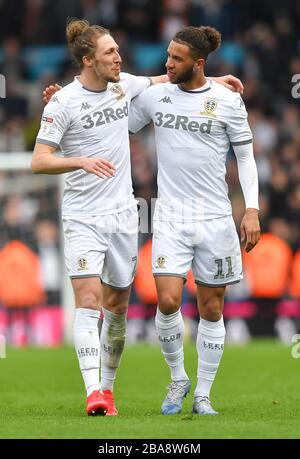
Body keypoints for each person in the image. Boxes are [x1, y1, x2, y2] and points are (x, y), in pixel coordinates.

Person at [39, 20, 244, 417]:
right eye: (110, 52)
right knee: (90, 300)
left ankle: (109, 390)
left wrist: (214, 78)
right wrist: (76, 155)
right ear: (88, 60)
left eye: (117, 50)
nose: (119, 56)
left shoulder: (124, 86)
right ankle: (94, 391)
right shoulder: (63, 102)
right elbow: (39, 159)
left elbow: (167, 81)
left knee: (117, 305)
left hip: (122, 215)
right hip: (82, 214)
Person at [128, 26, 260, 415]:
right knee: (167, 300)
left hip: (216, 217)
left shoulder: (228, 101)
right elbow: (120, 118)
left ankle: (203, 394)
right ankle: (177, 378)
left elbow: (246, 157)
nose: (167, 63)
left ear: (198, 64)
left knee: (212, 309)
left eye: (176, 59)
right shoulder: (156, 96)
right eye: (167, 55)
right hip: (170, 216)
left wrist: (251, 208)